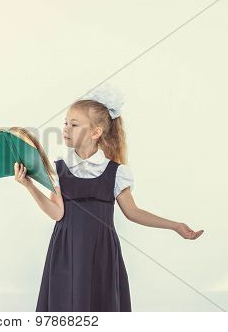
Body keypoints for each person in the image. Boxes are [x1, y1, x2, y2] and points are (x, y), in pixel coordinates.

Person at [13, 84, 204, 312]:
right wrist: (29, 185)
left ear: (96, 132)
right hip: (66, 251)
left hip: (100, 252)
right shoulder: (58, 170)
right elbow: (57, 212)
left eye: (74, 124)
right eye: (65, 123)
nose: (65, 128)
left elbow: (133, 212)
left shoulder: (116, 172)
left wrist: (175, 226)